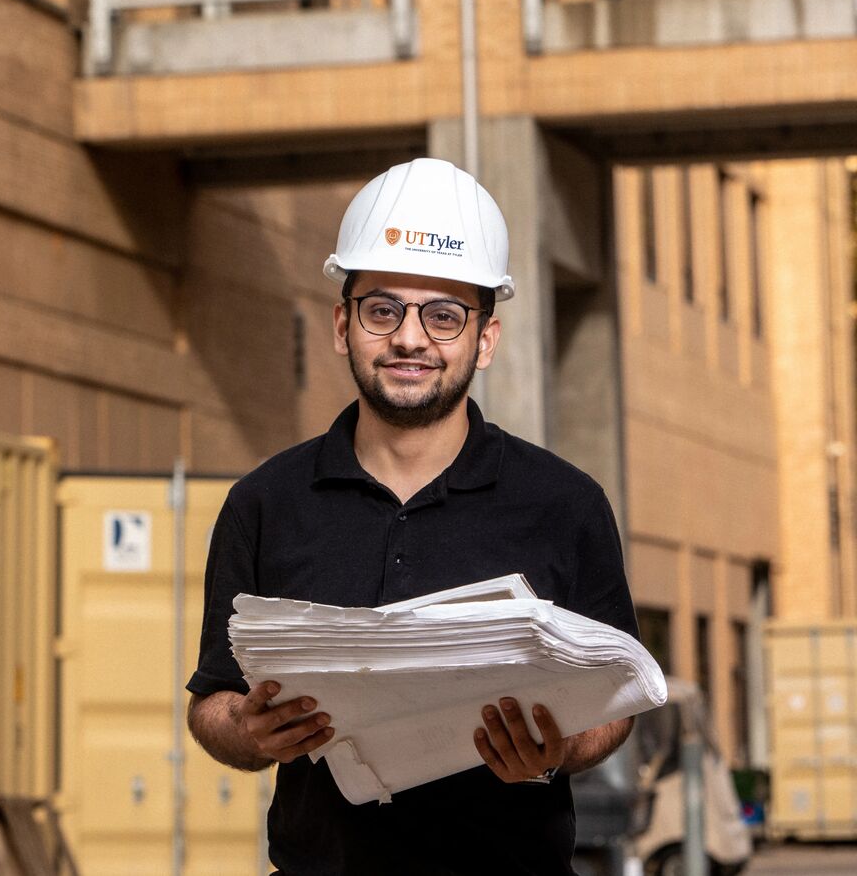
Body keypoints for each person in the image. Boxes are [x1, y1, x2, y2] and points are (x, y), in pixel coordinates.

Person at [186, 158, 640, 875]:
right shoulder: (265, 503)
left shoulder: (564, 505)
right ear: (344, 324)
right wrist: (245, 730)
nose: (409, 338)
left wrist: (559, 750)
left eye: (444, 315)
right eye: (383, 309)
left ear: (484, 339)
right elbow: (212, 698)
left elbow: (614, 700)